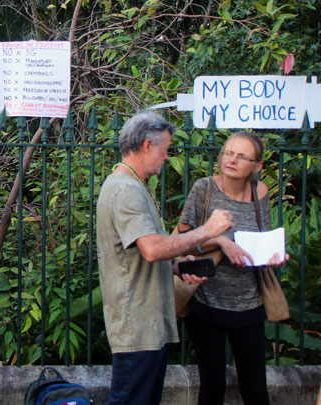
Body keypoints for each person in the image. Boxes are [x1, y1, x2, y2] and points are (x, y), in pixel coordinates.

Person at [96, 111, 234, 405]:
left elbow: (137, 253)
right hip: (137, 324)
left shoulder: (132, 186)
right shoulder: (125, 190)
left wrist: (177, 266)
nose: (167, 157)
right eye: (165, 150)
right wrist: (208, 230)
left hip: (146, 322)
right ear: (147, 146)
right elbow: (152, 248)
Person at [177, 131, 288, 405]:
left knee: (255, 389)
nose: (232, 160)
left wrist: (272, 255)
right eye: (228, 153)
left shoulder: (259, 191)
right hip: (207, 300)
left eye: (242, 156)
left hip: (250, 303)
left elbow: (259, 238)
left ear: (257, 165)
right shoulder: (204, 189)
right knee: (213, 387)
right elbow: (180, 243)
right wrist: (220, 242)